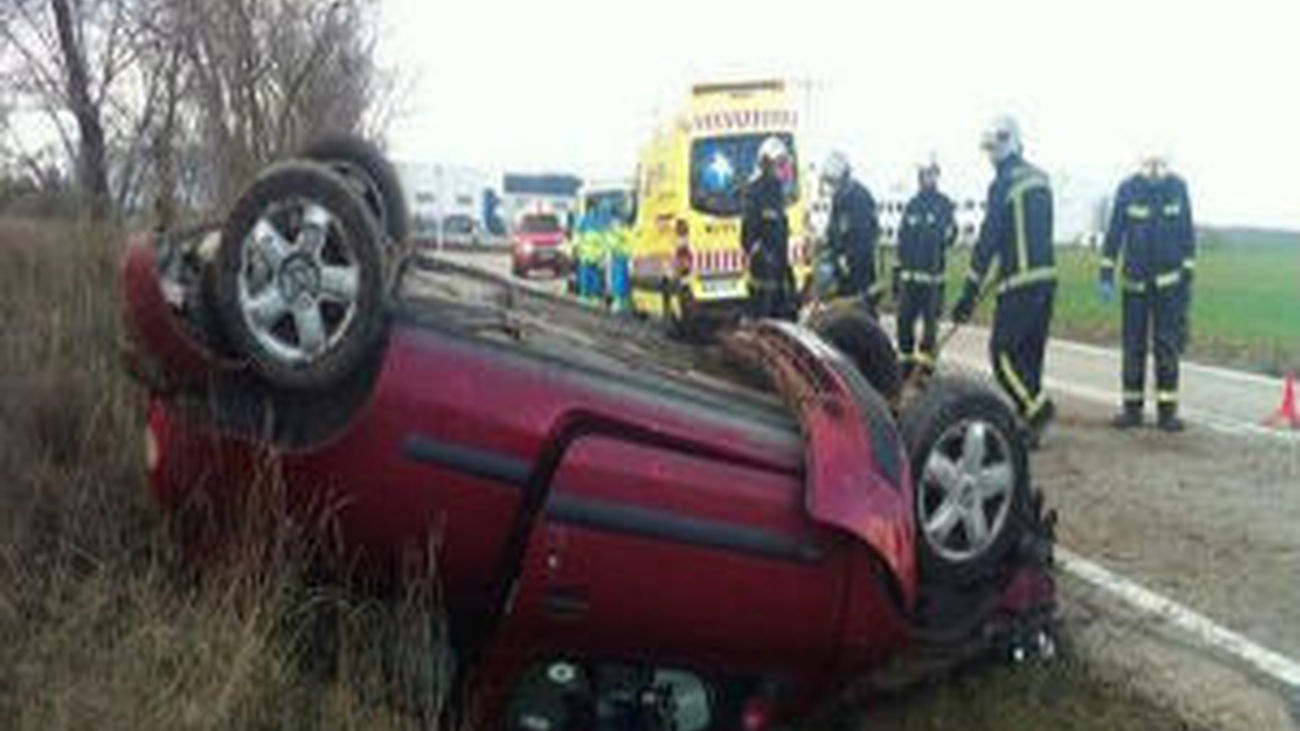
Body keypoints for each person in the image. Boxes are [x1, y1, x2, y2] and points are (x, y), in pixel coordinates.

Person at [951, 115, 1057, 444]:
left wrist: (969, 292)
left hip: (1019, 283)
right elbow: (1028, 232)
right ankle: (1030, 426)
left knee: (1002, 353)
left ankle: (1038, 411)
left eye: (991, 151)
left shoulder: (1003, 184)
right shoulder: (1041, 178)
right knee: (1030, 355)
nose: (989, 158)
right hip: (1046, 278)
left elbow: (989, 239)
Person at [1098, 151, 1194, 431]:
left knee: (1167, 348)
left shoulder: (1178, 188)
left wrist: (1187, 277)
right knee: (1133, 347)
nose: (1153, 172)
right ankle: (1132, 410)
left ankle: (1167, 413)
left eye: (1159, 166)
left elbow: (1187, 234)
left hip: (1169, 287)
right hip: (1135, 286)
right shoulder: (1128, 189)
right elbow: (1114, 233)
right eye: (1149, 166)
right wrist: (1106, 273)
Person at [895, 157, 956, 377]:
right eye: (924, 174)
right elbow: (902, 241)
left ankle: (924, 371)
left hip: (933, 280)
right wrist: (897, 277)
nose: (927, 178)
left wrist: (944, 232)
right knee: (904, 324)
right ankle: (905, 366)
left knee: (930, 328)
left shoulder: (944, 204)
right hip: (909, 280)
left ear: (936, 176)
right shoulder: (912, 205)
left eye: (931, 174)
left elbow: (951, 235)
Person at [819, 150, 883, 313]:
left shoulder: (861, 198)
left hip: (860, 271)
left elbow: (867, 236)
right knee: (840, 313)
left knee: (862, 313)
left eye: (835, 183)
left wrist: (848, 257)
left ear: (845, 177)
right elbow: (833, 230)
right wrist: (830, 251)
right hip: (842, 273)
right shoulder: (838, 198)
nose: (834, 188)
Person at [742, 137, 795, 319]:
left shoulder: (777, 190)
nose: (782, 169)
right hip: (763, 271)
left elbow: (780, 230)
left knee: (786, 314)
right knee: (764, 318)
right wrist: (761, 254)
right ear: (766, 164)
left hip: (779, 267)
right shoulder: (755, 191)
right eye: (778, 164)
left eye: (783, 164)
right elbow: (748, 235)